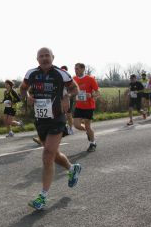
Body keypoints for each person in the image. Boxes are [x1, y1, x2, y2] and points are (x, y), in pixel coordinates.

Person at [20, 47, 82, 210]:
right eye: (41, 56)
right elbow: (23, 88)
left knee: (47, 155)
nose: (45, 58)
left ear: (53, 57)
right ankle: (72, 168)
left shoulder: (61, 74)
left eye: (47, 55)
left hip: (57, 119)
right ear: (37, 59)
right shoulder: (31, 74)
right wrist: (28, 98)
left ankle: (42, 196)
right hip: (40, 120)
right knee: (53, 154)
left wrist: (67, 96)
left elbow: (75, 88)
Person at [72, 63, 100, 152]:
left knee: (88, 126)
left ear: (83, 69)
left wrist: (91, 95)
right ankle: (89, 132)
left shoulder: (90, 79)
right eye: (75, 69)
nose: (75, 70)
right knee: (76, 125)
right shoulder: (74, 79)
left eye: (77, 69)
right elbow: (72, 91)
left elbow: (98, 93)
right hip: (79, 106)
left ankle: (93, 143)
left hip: (89, 106)